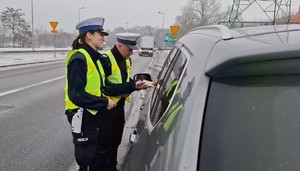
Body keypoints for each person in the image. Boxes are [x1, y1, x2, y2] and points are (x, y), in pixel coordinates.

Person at [64, 17, 117, 171]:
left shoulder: (95, 58)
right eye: (100, 34)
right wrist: (104, 103)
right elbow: (76, 95)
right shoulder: (79, 58)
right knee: (88, 161)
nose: (103, 38)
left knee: (97, 159)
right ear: (89, 35)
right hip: (82, 116)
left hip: (93, 115)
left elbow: (96, 88)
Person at [101, 32, 149, 170]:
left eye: (133, 50)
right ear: (119, 45)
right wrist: (132, 85)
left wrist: (138, 84)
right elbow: (105, 88)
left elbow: (124, 81)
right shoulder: (106, 60)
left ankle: (112, 167)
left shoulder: (126, 60)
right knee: (106, 145)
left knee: (116, 141)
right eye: (129, 49)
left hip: (119, 107)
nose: (131, 53)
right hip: (107, 109)